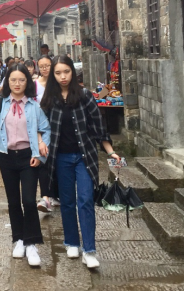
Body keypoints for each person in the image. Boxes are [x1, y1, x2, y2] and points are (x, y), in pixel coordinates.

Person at [39, 55, 122, 270]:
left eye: (66, 72)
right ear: (53, 75)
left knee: (85, 200)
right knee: (67, 201)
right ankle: (72, 242)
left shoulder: (85, 96)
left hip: (84, 157)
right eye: (58, 73)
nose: (63, 77)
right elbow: (40, 125)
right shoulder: (49, 99)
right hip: (60, 158)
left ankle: (90, 250)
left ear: (72, 72)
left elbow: (98, 127)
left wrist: (111, 152)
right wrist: (40, 142)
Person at [0, 63, 51, 268]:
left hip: (29, 157)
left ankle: (32, 243)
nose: (17, 83)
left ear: (27, 82)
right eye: (13, 80)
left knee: (29, 200)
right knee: (13, 201)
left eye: (22, 80)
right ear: (7, 82)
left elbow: (46, 130)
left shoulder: (33, 105)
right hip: (6, 156)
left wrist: (41, 152)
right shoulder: (0, 104)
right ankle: (19, 239)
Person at [34, 55, 60, 213]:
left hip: (57, 126)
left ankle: (55, 194)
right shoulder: (35, 85)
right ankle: (45, 197)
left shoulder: (58, 84)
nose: (44, 69)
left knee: (56, 162)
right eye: (41, 66)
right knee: (43, 160)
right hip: (41, 127)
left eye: (47, 65)